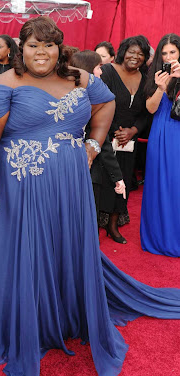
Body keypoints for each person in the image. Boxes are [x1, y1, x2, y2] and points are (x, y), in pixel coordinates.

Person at [0, 17, 180, 376]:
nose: (41, 53)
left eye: (48, 45)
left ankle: (69, 314)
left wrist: (94, 145)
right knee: (29, 250)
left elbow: (106, 106)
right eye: (33, 45)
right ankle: (30, 323)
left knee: (68, 245)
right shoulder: (5, 84)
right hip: (22, 184)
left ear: (59, 48)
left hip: (71, 180)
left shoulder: (81, 79)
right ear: (21, 47)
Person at [99, 35, 150, 244]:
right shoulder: (108, 72)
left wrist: (133, 131)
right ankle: (93, 223)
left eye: (140, 53)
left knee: (124, 183)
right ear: (123, 51)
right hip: (105, 138)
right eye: (132, 51)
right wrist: (114, 132)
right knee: (102, 182)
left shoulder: (146, 79)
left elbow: (147, 113)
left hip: (130, 142)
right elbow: (99, 104)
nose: (135, 57)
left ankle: (113, 225)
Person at [70, 50, 126, 223]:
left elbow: (104, 142)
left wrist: (116, 176)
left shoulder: (93, 96)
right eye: (98, 67)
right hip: (77, 170)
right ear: (86, 69)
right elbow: (105, 144)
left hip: (82, 170)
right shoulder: (92, 100)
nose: (101, 72)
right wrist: (118, 177)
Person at [141, 33, 180, 257]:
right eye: (164, 53)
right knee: (159, 182)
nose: (168, 56)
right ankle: (159, 236)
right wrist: (160, 87)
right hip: (160, 133)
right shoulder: (155, 75)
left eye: (172, 52)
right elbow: (151, 109)